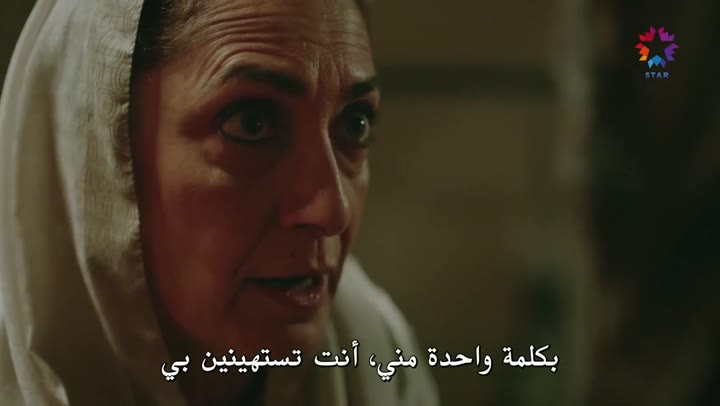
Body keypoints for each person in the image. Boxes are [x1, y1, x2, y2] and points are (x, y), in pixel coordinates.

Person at [0, 0, 439, 404]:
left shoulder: (372, 354)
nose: (331, 213)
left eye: (354, 124)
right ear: (102, 155)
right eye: (251, 124)